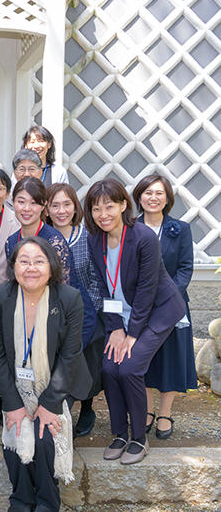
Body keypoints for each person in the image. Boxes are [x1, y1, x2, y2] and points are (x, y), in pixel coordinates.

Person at [0, 237, 91, 512]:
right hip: (13, 384)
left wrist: (49, 404)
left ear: (51, 266)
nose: (31, 268)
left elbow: (70, 356)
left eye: (38, 261)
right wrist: (13, 404)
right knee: (17, 429)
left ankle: (47, 502)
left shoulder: (68, 298)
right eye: (24, 261)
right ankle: (21, 500)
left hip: (57, 384)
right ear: (13, 266)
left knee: (44, 436)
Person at [84, 178, 185, 464]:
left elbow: (146, 290)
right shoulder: (95, 239)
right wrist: (115, 327)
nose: (103, 214)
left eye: (109, 206)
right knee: (108, 367)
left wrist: (132, 335)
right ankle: (119, 433)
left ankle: (139, 438)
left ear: (123, 205)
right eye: (96, 208)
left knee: (129, 368)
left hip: (158, 311)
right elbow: (103, 286)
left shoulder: (143, 237)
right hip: (122, 313)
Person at [132, 175, 197, 439]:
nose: (153, 198)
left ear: (167, 198)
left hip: (172, 306)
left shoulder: (180, 229)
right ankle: (147, 410)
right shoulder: (130, 228)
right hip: (140, 305)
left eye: (159, 193)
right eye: (148, 192)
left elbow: (185, 268)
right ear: (139, 197)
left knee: (170, 360)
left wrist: (167, 298)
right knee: (144, 359)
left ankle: (165, 413)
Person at [46, 183, 105, 437]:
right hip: (53, 312)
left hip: (88, 310)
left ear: (75, 207)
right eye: (55, 205)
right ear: (46, 209)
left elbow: (97, 278)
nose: (61, 211)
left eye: (67, 204)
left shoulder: (88, 236)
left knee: (88, 356)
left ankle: (87, 406)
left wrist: (89, 312)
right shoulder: (44, 237)